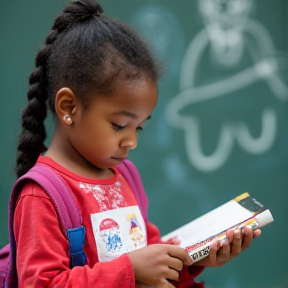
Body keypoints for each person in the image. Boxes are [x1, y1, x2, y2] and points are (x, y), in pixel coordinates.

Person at [14, 0, 261, 287]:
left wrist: (194, 259)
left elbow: (151, 265)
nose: (131, 141)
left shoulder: (126, 175)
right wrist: (130, 270)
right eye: (119, 125)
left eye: (139, 128)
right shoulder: (41, 195)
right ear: (69, 107)